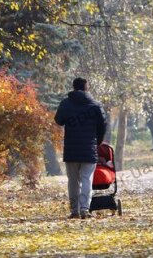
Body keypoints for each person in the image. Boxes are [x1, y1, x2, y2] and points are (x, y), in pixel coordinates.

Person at [54, 77, 108, 219]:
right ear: (86, 88)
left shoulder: (66, 103)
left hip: (71, 149)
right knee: (86, 179)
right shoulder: (95, 105)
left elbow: (58, 120)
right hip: (89, 149)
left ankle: (74, 211)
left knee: (73, 181)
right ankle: (84, 209)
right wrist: (98, 142)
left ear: (73, 87)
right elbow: (103, 126)